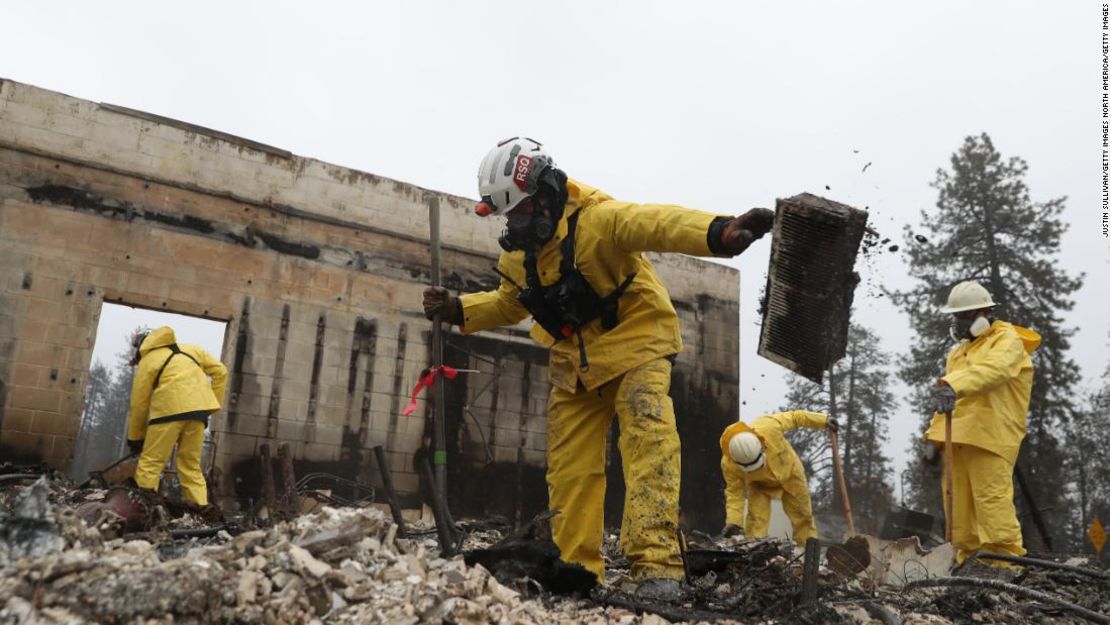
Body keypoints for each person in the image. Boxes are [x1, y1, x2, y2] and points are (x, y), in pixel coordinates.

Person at [422, 137, 774, 599]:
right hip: (575, 367)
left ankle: (656, 569)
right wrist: (458, 308)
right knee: (570, 472)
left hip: (637, 344)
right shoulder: (519, 255)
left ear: (546, 193)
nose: (518, 223)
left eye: (523, 212)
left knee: (649, 448)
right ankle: (578, 572)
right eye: (511, 216)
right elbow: (510, 303)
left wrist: (720, 232)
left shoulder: (599, 220)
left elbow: (658, 223)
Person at [927, 280, 1040, 567]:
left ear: (984, 312)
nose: (958, 322)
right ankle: (967, 565)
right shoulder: (958, 352)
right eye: (955, 316)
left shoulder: (1007, 340)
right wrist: (932, 438)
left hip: (991, 435)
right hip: (958, 438)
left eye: (963, 316)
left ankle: (1003, 566)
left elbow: (994, 370)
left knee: (992, 506)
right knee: (959, 512)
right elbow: (948, 401)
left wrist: (953, 384)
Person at [126, 326, 227, 506]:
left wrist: (136, 438)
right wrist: (212, 405)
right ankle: (201, 512)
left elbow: (139, 404)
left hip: (167, 413)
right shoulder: (192, 350)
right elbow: (221, 372)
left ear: (143, 345)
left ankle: (144, 510)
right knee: (191, 467)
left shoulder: (148, 360)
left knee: (151, 464)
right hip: (198, 414)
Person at [719, 411, 837, 544]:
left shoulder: (768, 426)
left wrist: (823, 420)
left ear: (761, 447)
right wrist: (734, 522)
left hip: (791, 474)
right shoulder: (728, 464)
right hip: (759, 485)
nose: (757, 468)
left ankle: (806, 552)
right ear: (737, 462)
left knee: (803, 517)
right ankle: (752, 552)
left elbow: (796, 417)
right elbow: (735, 494)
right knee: (756, 522)